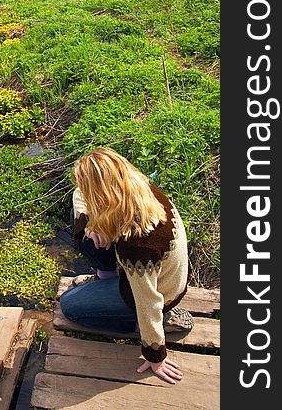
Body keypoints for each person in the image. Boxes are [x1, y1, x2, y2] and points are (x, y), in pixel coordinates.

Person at [60, 147, 193, 384]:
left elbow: (147, 301)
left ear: (103, 195)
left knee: (69, 306)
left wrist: (155, 354)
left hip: (159, 291)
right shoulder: (135, 184)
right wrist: (92, 227)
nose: (83, 192)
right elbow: (79, 193)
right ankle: (106, 278)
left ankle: (147, 322)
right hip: (150, 273)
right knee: (77, 216)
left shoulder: (138, 244)